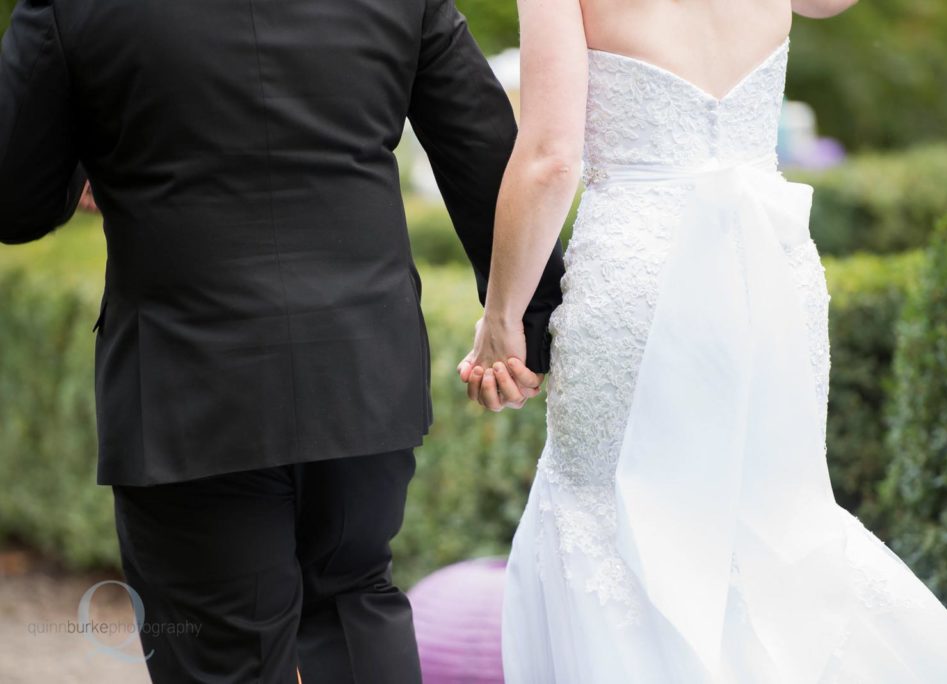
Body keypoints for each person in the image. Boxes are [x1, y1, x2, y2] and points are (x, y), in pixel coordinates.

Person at [0, 1, 562, 681]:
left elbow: (15, 198)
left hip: (188, 389)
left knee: (220, 647)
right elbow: (482, 151)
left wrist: (95, 144)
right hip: (361, 374)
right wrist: (527, 324)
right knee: (356, 604)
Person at [458, 0, 947, 681]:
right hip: (769, 272)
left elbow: (550, 159)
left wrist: (501, 317)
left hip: (640, 275)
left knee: (610, 523)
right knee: (776, 523)